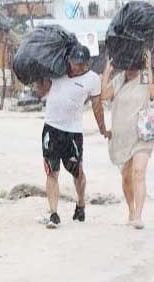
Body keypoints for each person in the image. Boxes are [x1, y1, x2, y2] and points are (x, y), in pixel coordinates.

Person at [34, 45, 109, 228]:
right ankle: (54, 213)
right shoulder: (57, 70)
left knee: (78, 172)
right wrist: (39, 77)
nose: (76, 67)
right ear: (69, 60)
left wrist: (103, 129)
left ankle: (81, 203)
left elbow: (97, 106)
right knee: (52, 171)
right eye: (74, 63)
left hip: (73, 132)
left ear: (87, 63)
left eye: (81, 65)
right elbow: (42, 92)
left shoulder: (92, 79)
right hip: (51, 128)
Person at [101, 54, 154, 229]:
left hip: (142, 135)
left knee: (139, 172)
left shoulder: (144, 77)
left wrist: (148, 68)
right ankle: (131, 211)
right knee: (127, 177)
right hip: (122, 137)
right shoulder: (119, 80)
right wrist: (107, 72)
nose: (131, 70)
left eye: (134, 66)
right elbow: (104, 95)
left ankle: (139, 216)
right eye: (128, 67)